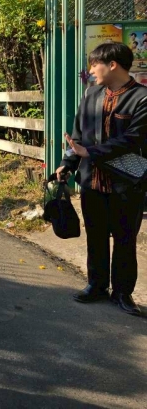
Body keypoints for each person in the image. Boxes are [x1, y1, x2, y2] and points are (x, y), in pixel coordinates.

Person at [57, 42, 147, 317]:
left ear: (112, 65)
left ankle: (122, 293)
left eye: (94, 64)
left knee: (124, 239)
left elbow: (133, 139)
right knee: (95, 235)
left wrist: (91, 152)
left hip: (126, 183)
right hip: (92, 181)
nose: (91, 70)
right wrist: (68, 163)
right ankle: (96, 285)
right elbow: (78, 134)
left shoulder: (142, 98)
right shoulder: (91, 94)